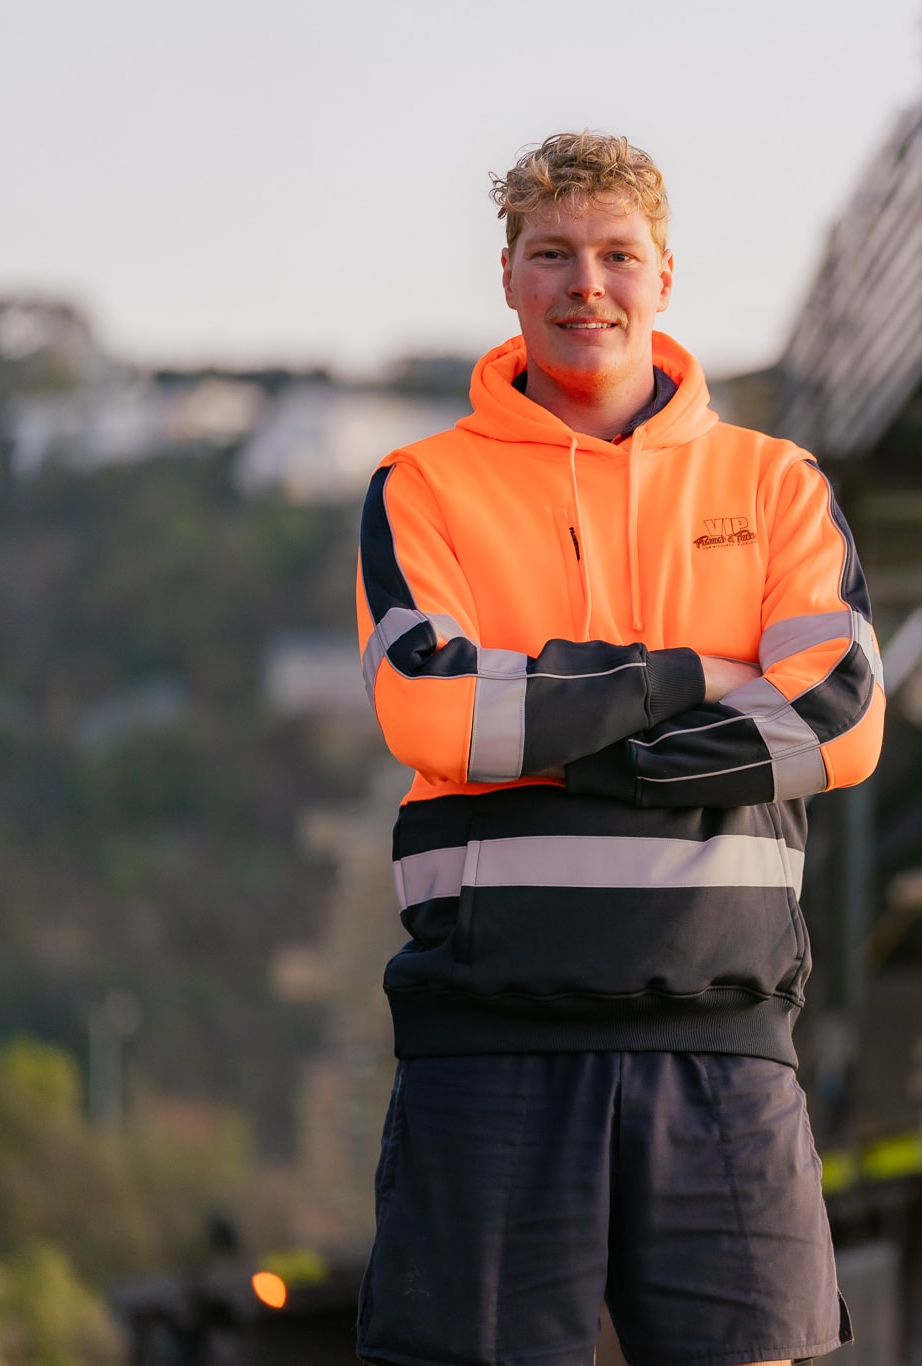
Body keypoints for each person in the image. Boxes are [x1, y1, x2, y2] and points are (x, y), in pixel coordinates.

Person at [352, 131, 883, 1366]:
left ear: (663, 275)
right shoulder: (420, 486)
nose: (584, 283)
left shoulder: (777, 484)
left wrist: (557, 735)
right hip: (490, 1038)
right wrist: (698, 675)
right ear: (508, 279)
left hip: (721, 1037)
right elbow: (431, 710)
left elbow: (841, 716)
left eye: (614, 255)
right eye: (552, 254)